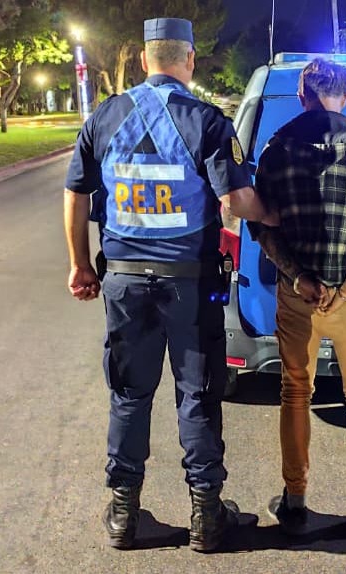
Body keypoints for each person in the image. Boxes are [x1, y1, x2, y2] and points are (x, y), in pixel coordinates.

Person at [64, 17, 274, 552]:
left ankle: (123, 515)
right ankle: (207, 516)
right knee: (197, 395)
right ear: (190, 60)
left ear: (143, 59)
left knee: (129, 396)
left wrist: (80, 265)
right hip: (190, 286)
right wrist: (276, 216)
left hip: (124, 284)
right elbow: (236, 201)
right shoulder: (207, 120)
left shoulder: (105, 116)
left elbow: (76, 193)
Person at [250, 58, 346, 537]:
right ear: (345, 96)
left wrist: (299, 278)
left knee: (295, 393)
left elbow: (263, 225)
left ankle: (295, 502)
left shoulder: (277, 148)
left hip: (299, 297)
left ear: (302, 96)